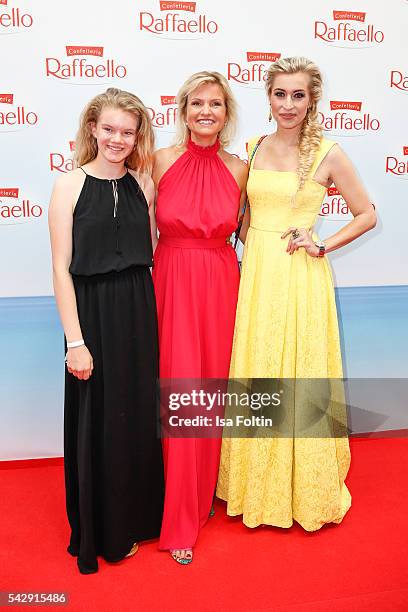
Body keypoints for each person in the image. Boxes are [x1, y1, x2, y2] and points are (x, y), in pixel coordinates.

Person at [217, 57, 376, 531]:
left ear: (312, 100)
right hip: (259, 275)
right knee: (259, 368)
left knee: (299, 371)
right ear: (268, 97)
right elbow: (242, 214)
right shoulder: (251, 146)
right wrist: (251, 245)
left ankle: (301, 487)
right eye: (280, 94)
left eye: (298, 95)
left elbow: (365, 213)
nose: (288, 104)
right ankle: (256, 484)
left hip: (302, 276)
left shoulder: (329, 152)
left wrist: (321, 243)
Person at [48, 88, 164, 574]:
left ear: (139, 135)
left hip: (138, 310)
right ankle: (105, 531)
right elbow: (60, 269)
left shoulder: (144, 183)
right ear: (92, 128)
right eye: (109, 129)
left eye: (128, 131)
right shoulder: (68, 186)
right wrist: (75, 342)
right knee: (98, 421)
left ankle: (139, 519)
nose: (118, 139)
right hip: (91, 314)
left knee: (135, 417)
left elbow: (153, 250)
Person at [152, 71, 247, 563]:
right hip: (170, 279)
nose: (205, 111)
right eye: (196, 103)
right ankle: (179, 512)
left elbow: (252, 231)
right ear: (183, 110)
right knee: (179, 389)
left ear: (226, 113)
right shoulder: (159, 160)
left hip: (219, 281)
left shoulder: (240, 168)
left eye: (215, 104)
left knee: (211, 391)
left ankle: (203, 493)